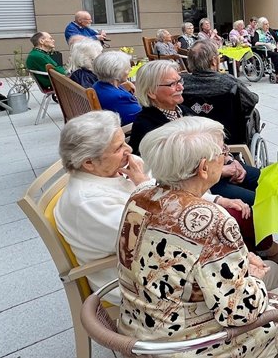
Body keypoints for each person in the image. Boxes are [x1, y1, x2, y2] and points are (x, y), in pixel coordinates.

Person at [117, 117, 278, 358]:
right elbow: (240, 312)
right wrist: (252, 278)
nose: (227, 158)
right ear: (203, 168)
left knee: (274, 270)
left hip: (140, 331)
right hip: (190, 346)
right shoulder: (214, 220)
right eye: (222, 152)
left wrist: (245, 261)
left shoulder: (139, 195)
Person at [128, 60, 278, 265]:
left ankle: (258, 242)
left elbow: (213, 140)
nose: (180, 86)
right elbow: (162, 174)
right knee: (253, 202)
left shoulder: (181, 110)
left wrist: (230, 160)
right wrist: (222, 170)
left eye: (179, 81)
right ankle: (269, 250)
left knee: (268, 179)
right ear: (151, 92)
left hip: (217, 167)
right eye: (172, 84)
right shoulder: (147, 126)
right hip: (195, 185)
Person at [53, 110, 255, 301]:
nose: (129, 150)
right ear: (88, 163)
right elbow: (154, 232)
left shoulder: (115, 170)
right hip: (139, 285)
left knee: (246, 263)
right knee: (256, 279)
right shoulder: (87, 202)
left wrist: (216, 200)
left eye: (125, 143)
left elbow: (174, 189)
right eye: (118, 148)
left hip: (161, 262)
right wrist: (236, 259)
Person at [183, 40, 259, 142]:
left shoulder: (181, 84)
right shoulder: (229, 82)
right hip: (228, 137)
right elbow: (251, 101)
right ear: (214, 61)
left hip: (193, 137)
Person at [92, 50, 141, 125]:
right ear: (117, 72)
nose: (130, 70)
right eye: (127, 68)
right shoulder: (118, 97)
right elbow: (140, 117)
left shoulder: (98, 85)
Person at [252, 17, 278, 84]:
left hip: (273, 48)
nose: (267, 25)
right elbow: (255, 42)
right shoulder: (258, 32)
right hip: (263, 50)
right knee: (277, 56)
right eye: (265, 24)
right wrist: (265, 44)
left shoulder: (270, 31)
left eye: (268, 24)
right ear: (261, 25)